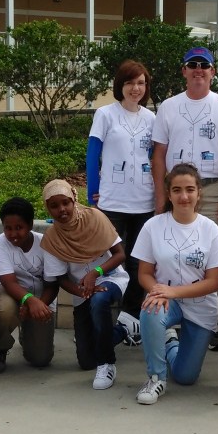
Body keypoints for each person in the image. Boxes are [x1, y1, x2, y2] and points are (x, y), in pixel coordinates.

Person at [151, 46, 218, 349]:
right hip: (177, 190)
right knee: (171, 253)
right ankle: (171, 319)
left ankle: (212, 325)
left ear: (213, 72)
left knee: (212, 259)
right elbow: (159, 154)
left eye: (205, 65)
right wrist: (161, 196)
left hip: (214, 188)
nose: (198, 70)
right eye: (193, 65)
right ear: (184, 71)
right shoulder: (168, 107)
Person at [132, 164, 218, 405]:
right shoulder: (153, 226)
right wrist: (158, 291)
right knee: (150, 309)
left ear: (199, 193)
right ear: (168, 193)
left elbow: (213, 282)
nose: (184, 196)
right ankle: (156, 378)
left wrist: (172, 291)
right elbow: (144, 273)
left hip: (200, 305)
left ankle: (170, 341)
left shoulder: (211, 230)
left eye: (189, 189)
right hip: (166, 300)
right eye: (177, 190)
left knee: (186, 377)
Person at [87, 59, 155, 341]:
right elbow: (92, 155)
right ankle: (98, 320)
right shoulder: (105, 114)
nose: (135, 88)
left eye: (141, 83)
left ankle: (129, 322)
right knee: (109, 261)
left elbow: (154, 158)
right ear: (120, 86)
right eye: (130, 82)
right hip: (112, 203)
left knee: (140, 264)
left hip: (144, 202)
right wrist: (93, 194)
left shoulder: (152, 118)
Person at [40, 179, 130, 390]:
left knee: (99, 300)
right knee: (85, 360)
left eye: (65, 202)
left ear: (73, 200)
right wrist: (82, 289)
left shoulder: (95, 217)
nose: (61, 209)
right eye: (54, 205)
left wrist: (96, 273)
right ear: (47, 208)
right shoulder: (52, 239)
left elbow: (119, 255)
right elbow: (61, 279)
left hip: (111, 278)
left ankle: (107, 364)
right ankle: (125, 330)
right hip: (80, 292)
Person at [0, 197, 60, 373]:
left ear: (30, 225)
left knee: (40, 359)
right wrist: (29, 300)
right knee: (6, 308)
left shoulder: (46, 243)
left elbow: (53, 284)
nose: (13, 234)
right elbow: (8, 281)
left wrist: (38, 304)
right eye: (8, 228)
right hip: (9, 291)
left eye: (19, 228)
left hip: (41, 297)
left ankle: (25, 333)